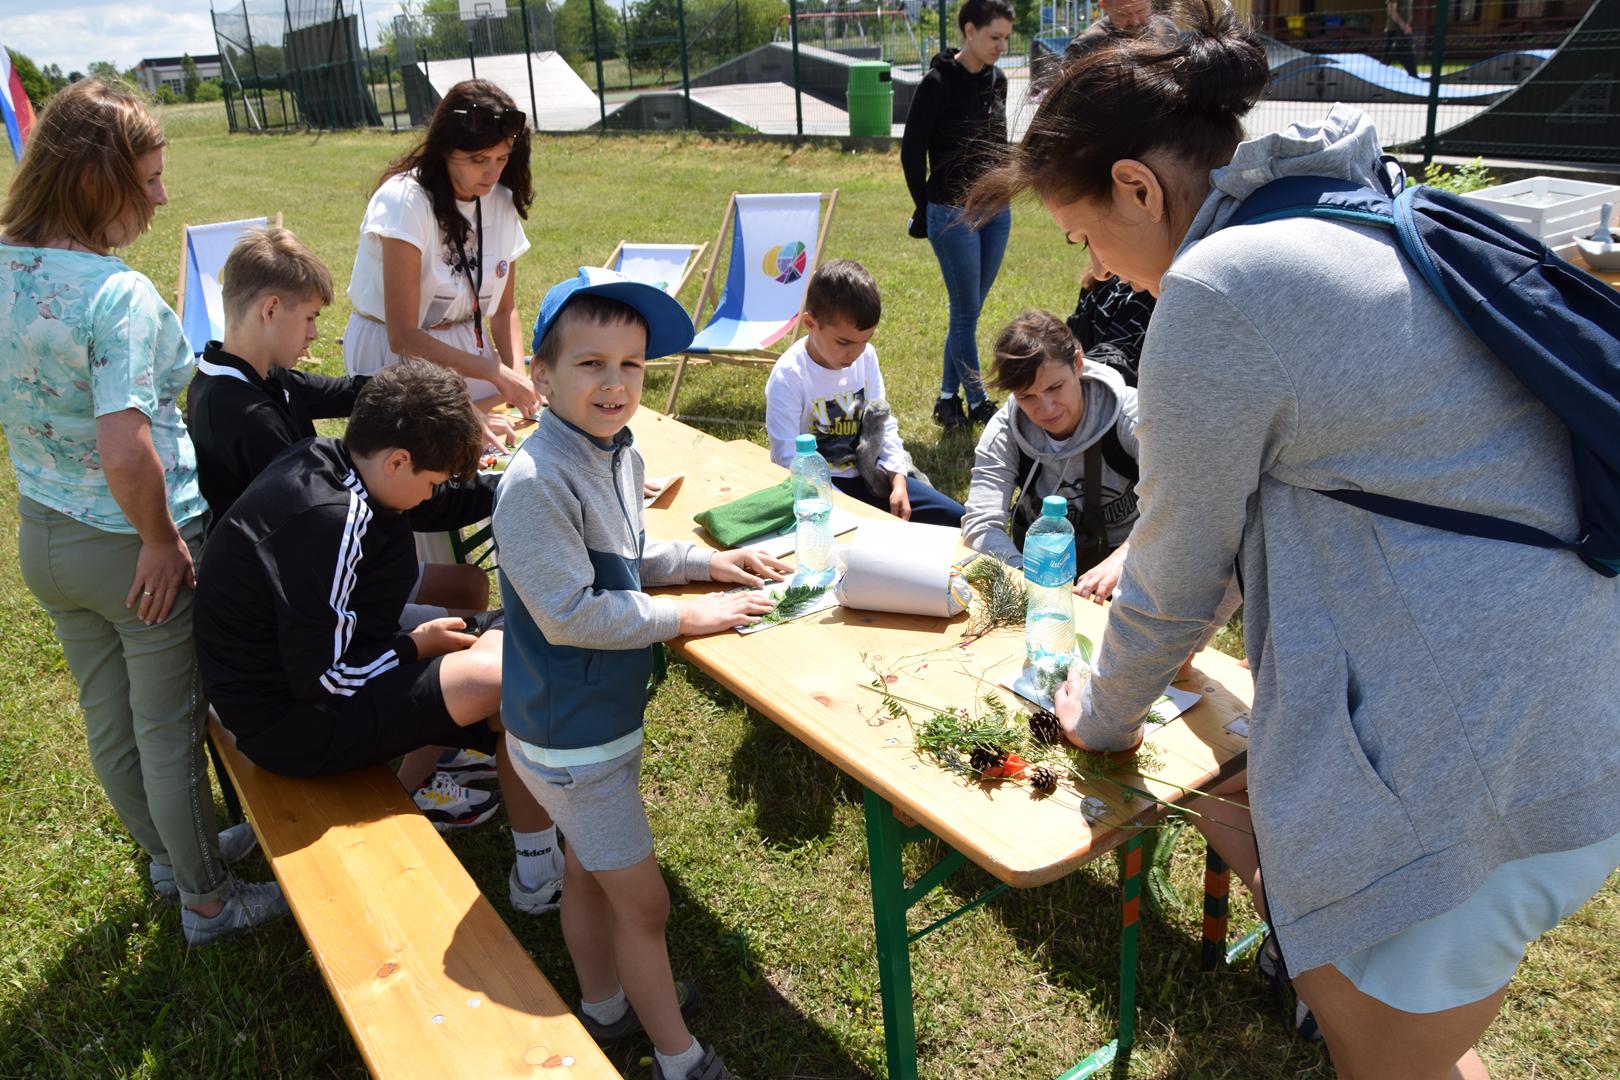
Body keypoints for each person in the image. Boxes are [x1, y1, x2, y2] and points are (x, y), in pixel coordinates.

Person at [968, 3, 1620, 1076]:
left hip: (1477, 768)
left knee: (1381, 1062)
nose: (1096, 270)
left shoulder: (1219, 288)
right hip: (1563, 719)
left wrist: (1102, 714)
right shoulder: (1351, 204)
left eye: (1084, 235)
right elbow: (1310, 487)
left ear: (1138, 186)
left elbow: (1181, 573)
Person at [0, 78, 286, 946]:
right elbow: (126, 449)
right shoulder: (112, 292)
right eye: (150, 179)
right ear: (96, 180)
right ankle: (207, 900)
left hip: (45, 535)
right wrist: (161, 540)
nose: (163, 199)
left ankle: (171, 856)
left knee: (109, 719)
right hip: (133, 544)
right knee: (167, 730)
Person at [496, 267, 790, 1080]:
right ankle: (679, 1060)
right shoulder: (535, 482)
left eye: (631, 364)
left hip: (591, 723)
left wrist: (702, 563)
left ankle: (605, 1006)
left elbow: (624, 554)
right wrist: (686, 618)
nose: (615, 382)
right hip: (569, 737)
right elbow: (572, 612)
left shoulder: (615, 452)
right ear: (541, 377)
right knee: (646, 904)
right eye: (590, 363)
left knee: (590, 873)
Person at [193, 363, 567, 914]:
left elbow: (441, 504)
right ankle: (535, 876)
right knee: (503, 676)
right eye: (433, 481)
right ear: (397, 461)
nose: (433, 495)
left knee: (517, 652)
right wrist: (414, 646)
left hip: (310, 677)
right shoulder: (331, 520)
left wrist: (534, 486)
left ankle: (522, 858)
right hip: (286, 723)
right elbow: (323, 679)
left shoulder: (335, 461)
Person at [187, 226, 489, 611]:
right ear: (271, 309)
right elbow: (325, 511)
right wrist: (494, 486)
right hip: (301, 590)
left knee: (470, 585)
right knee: (464, 600)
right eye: (310, 317)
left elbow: (350, 389)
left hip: (320, 563)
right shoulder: (244, 414)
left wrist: (441, 400)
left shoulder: (257, 375)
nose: (314, 333)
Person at [342, 79, 538, 431]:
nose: (492, 173)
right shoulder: (406, 201)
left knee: (497, 441)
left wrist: (516, 377)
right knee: (431, 450)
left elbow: (504, 309)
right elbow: (403, 336)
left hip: (466, 346)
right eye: (479, 159)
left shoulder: (500, 199)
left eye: (502, 158)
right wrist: (494, 372)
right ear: (446, 149)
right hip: (395, 355)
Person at [764, 259, 965, 527]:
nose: (855, 353)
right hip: (817, 492)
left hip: (871, 477)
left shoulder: (865, 356)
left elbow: (882, 423)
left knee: (958, 519)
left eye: (865, 341)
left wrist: (898, 481)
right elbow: (787, 460)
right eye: (843, 342)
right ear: (811, 323)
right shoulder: (789, 376)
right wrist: (848, 510)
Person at [961, 310, 1139, 598]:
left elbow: (1180, 502)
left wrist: (1128, 556)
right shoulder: (1005, 430)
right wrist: (1025, 580)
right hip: (1037, 565)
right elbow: (980, 525)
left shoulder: (1133, 417)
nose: (1046, 408)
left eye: (1055, 387)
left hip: (1131, 561)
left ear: (1077, 364)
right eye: (1026, 396)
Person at [901, 0, 1014, 431]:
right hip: (951, 212)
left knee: (968, 311)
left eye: (1006, 38)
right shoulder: (937, 83)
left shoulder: (998, 81)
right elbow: (912, 154)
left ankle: (948, 399)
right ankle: (978, 400)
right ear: (969, 30)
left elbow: (999, 146)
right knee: (966, 313)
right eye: (994, 37)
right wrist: (925, 207)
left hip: (996, 211)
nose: (1001, 46)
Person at [1383, 0, 1419, 79]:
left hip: (1403, 30)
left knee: (1406, 57)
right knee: (1388, 59)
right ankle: (1414, 77)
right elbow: (1391, 10)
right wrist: (1403, 25)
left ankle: (1414, 76)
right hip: (1394, 31)